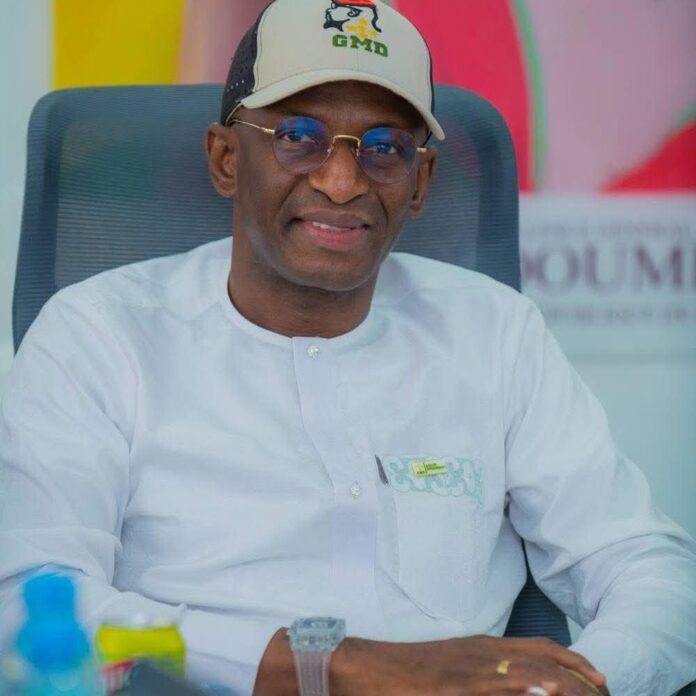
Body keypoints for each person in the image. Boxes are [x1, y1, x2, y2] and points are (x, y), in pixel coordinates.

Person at [0, 1, 695, 694]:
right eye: (298, 137)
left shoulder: (493, 330)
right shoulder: (100, 336)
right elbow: (29, 602)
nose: (342, 182)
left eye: (385, 147)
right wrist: (337, 666)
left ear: (421, 183)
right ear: (225, 158)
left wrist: (574, 685)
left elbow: (649, 571)